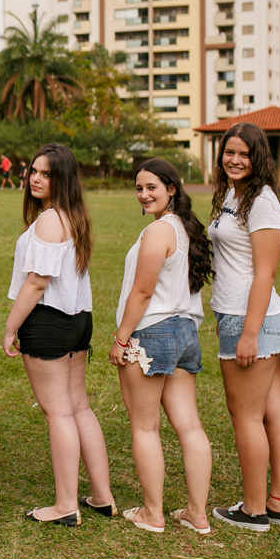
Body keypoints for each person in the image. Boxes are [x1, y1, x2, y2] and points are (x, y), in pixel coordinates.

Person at [2, 143, 114, 527]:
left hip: (49, 321)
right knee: (78, 406)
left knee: (60, 412)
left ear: (62, 179)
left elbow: (37, 282)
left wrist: (10, 327)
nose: (35, 178)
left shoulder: (51, 219)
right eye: (33, 171)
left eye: (46, 174)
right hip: (78, 319)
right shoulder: (73, 215)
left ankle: (65, 505)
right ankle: (101, 496)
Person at [108, 158, 213, 534]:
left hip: (152, 332)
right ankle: (197, 513)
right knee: (190, 426)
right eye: (139, 188)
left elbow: (142, 292)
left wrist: (121, 338)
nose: (143, 194)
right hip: (186, 332)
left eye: (151, 187)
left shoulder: (158, 232)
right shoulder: (185, 227)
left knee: (145, 428)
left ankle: (152, 513)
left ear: (172, 188)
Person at [207, 122, 280, 532]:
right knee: (273, 412)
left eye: (244, 154)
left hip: (251, 319)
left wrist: (247, 333)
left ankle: (254, 509)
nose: (235, 160)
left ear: (258, 157)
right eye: (229, 152)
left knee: (245, 416)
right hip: (241, 316)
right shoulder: (235, 194)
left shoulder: (263, 202)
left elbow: (266, 273)